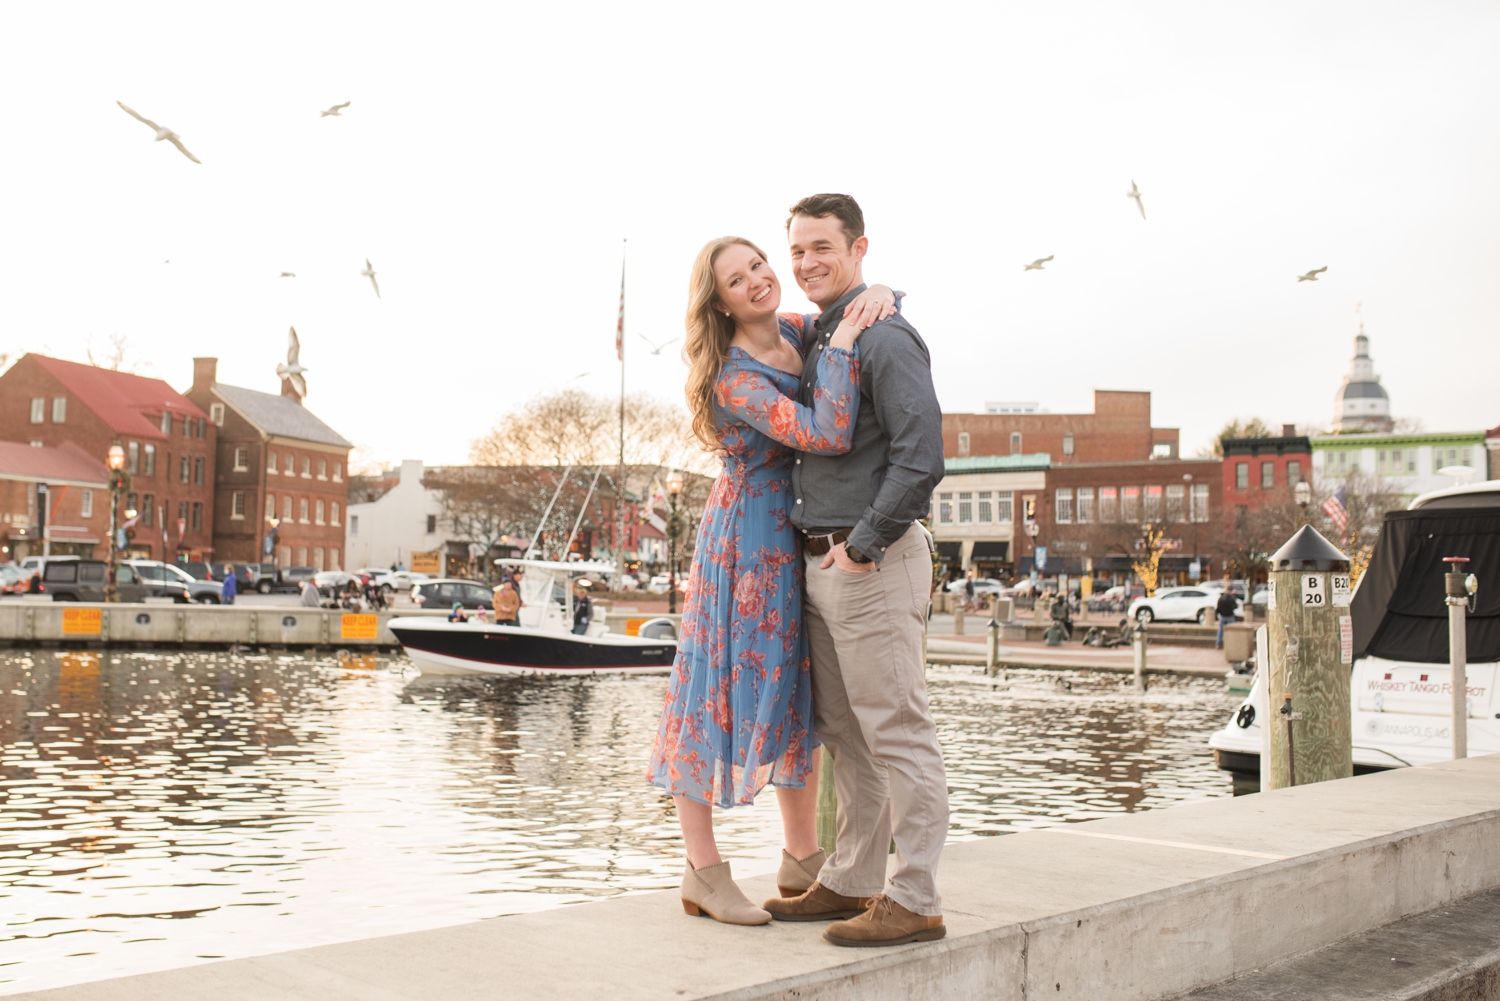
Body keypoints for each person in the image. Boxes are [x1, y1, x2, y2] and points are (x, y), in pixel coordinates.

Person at [648, 234, 898, 927]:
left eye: (759, 264)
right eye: (738, 278)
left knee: (795, 685)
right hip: (743, 540)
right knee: (713, 691)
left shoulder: (796, 328)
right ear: (720, 303)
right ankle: (702, 869)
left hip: (789, 533)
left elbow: (856, 309)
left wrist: (879, 295)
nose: (759, 279)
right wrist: (847, 339)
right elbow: (823, 433)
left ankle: (801, 856)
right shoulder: (735, 375)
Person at [763, 194, 948, 949]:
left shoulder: (885, 339)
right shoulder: (822, 332)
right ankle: (852, 877)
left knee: (898, 729)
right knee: (846, 733)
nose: (806, 263)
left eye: (821, 247)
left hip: (871, 558)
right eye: (797, 250)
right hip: (821, 562)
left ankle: (917, 896)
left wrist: (866, 544)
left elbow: (922, 454)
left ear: (859, 246)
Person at [1215, 584, 1239, 648]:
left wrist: (1219, 613)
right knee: (1232, 630)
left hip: (1222, 616)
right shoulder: (1232, 598)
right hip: (1230, 616)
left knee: (1220, 630)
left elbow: (1218, 607)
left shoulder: (1221, 597)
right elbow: (1235, 606)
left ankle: (1218, 643)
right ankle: (1231, 643)